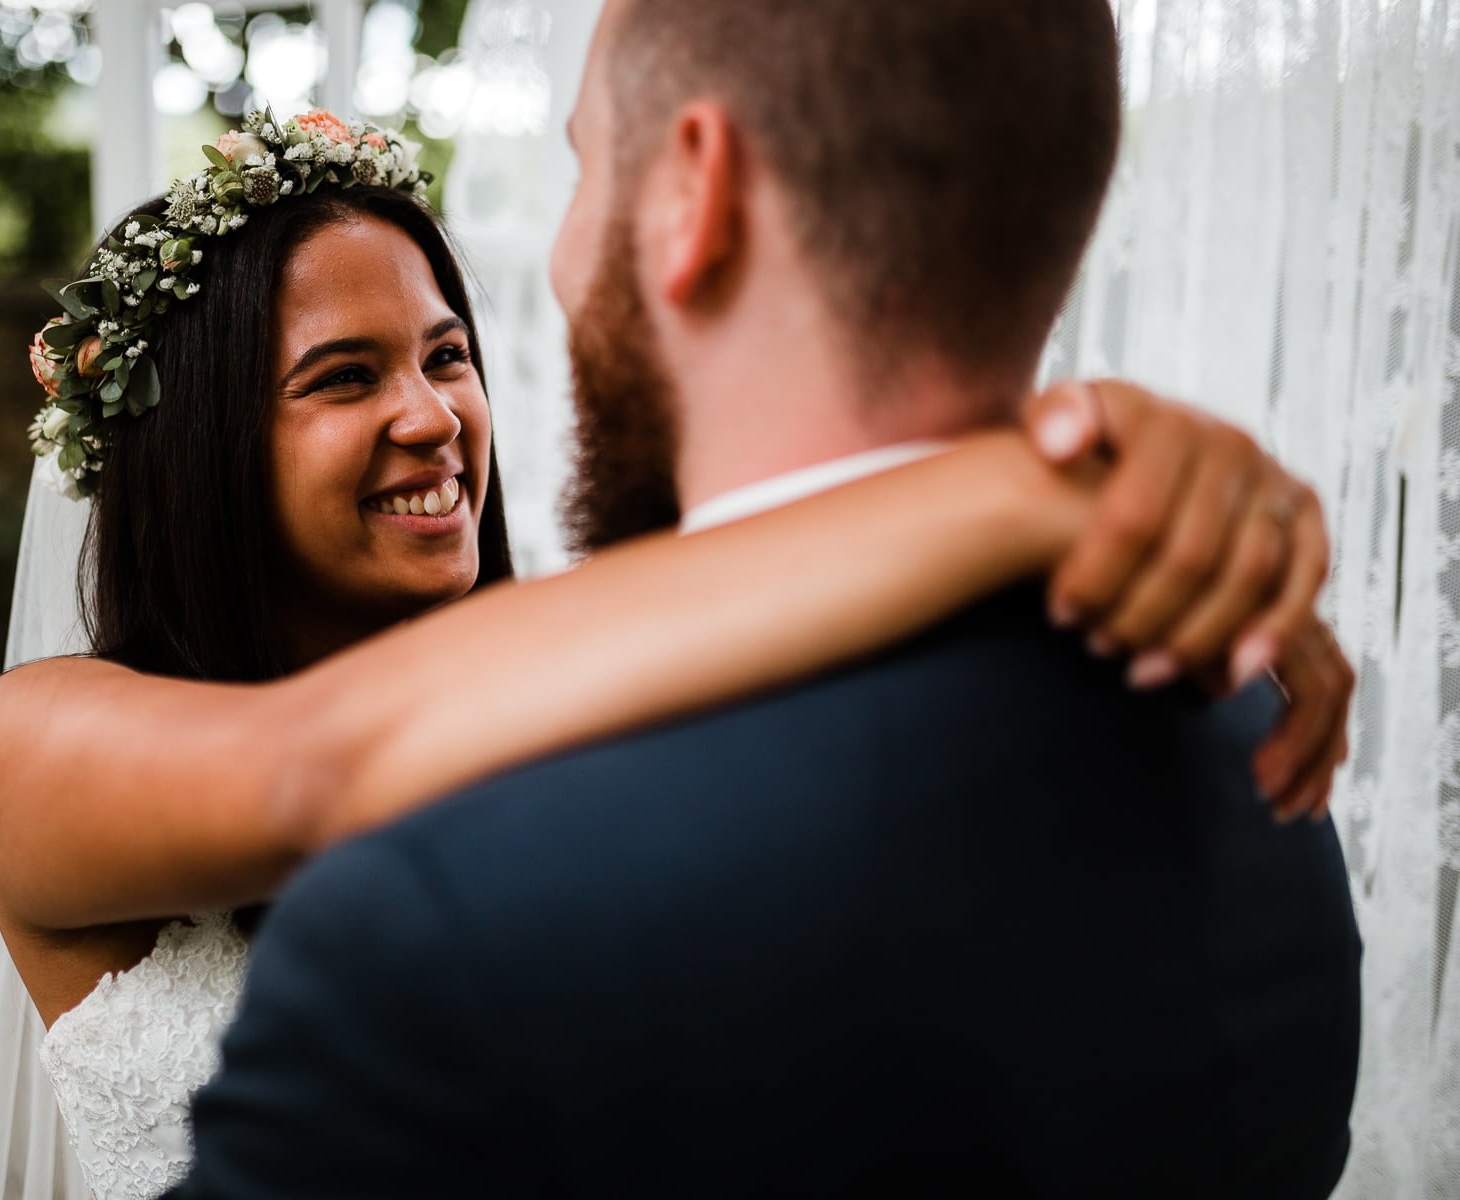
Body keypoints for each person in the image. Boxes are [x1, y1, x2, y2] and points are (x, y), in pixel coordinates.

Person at [160, 3, 1362, 1197]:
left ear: (697, 187)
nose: (563, 258)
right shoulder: (1256, 738)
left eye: (587, 167)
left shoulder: (443, 910)